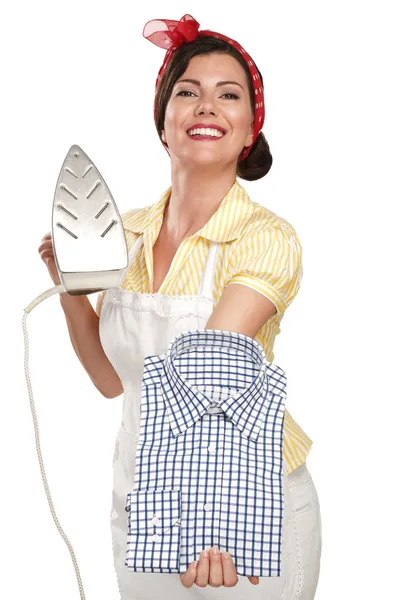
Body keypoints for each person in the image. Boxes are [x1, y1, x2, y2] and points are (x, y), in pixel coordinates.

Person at [39, 13, 322, 600]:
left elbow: (212, 370)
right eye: (188, 92)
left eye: (229, 95)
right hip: (141, 495)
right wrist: (69, 286)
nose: (206, 107)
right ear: (163, 124)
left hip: (242, 499)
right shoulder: (128, 234)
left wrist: (216, 522)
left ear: (250, 130)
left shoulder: (265, 237)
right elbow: (110, 380)